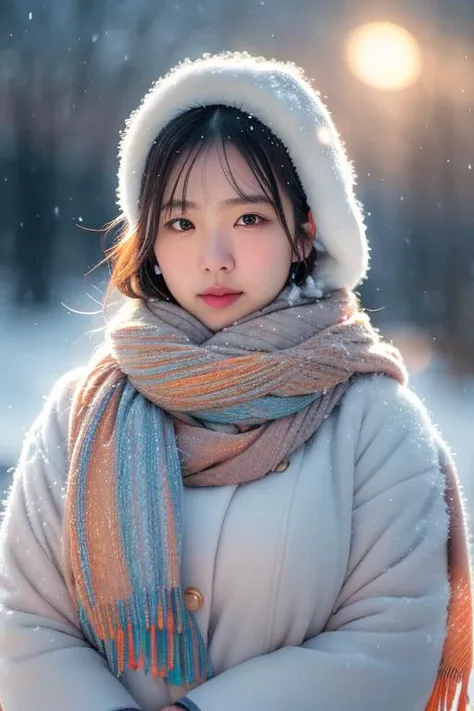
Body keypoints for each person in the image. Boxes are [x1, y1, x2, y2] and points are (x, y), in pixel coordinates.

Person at [0, 52, 471, 711]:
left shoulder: (375, 421)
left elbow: (394, 636)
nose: (213, 257)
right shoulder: (80, 414)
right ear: (151, 243)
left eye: (248, 218)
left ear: (303, 232)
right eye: (181, 222)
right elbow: (24, 622)